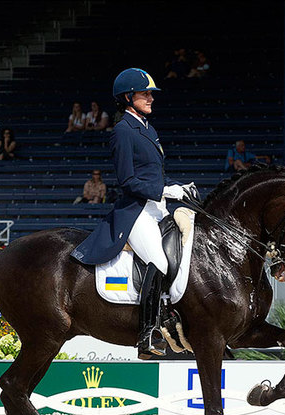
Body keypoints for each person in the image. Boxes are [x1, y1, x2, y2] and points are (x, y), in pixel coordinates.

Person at [70, 68, 196, 358]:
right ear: (128, 97)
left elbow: (152, 175)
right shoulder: (123, 131)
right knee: (159, 261)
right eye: (145, 93)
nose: (151, 98)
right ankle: (148, 334)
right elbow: (127, 181)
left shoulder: (148, 128)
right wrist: (167, 190)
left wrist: (175, 189)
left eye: (151, 93)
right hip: (136, 212)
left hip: (156, 208)